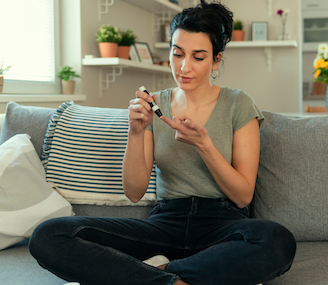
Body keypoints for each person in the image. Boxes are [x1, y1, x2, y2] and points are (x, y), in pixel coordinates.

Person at [29, 1, 296, 284]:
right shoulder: (155, 105)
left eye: (198, 57)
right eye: (177, 53)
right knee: (49, 235)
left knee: (277, 242)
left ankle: (156, 273)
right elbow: (134, 192)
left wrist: (204, 145)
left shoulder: (238, 103)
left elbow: (243, 196)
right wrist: (135, 131)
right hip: (165, 223)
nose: (184, 67)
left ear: (216, 60)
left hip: (223, 225)